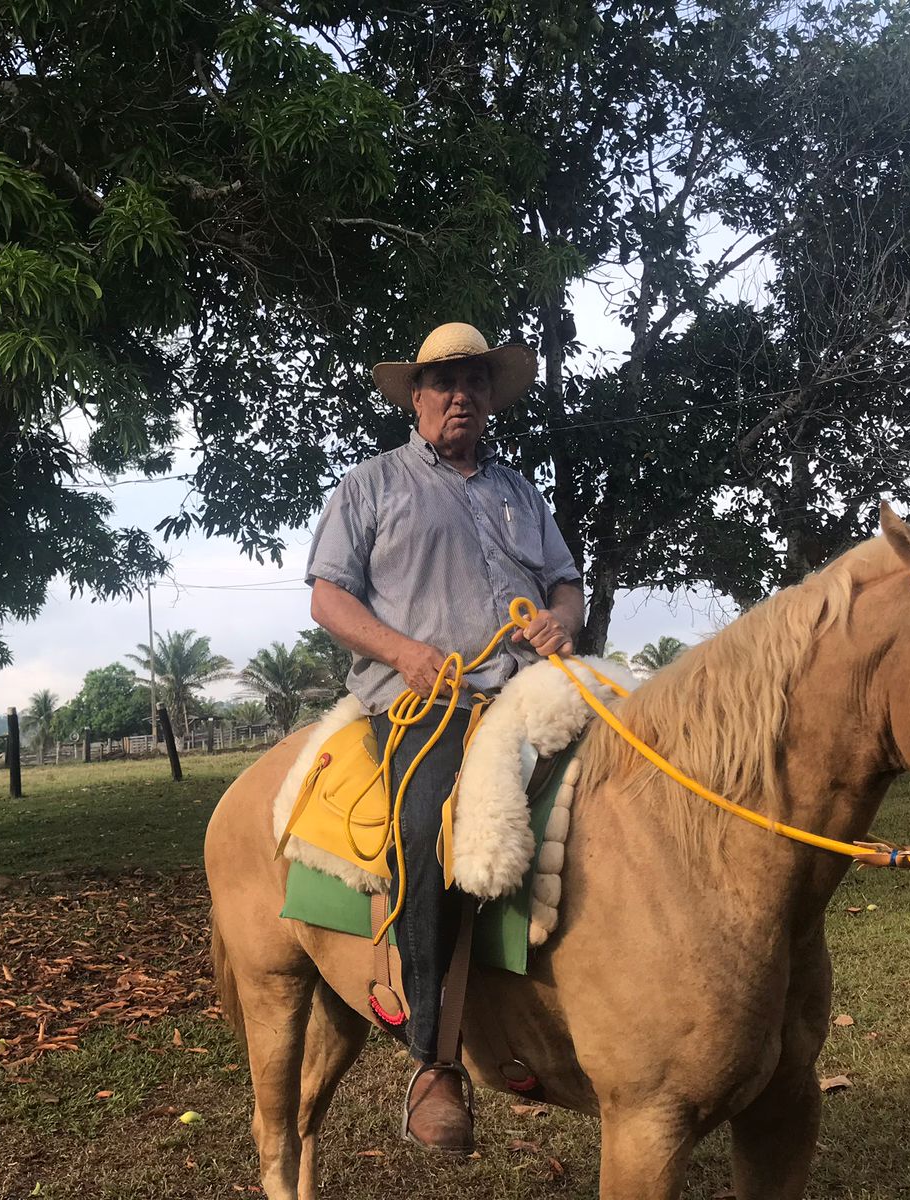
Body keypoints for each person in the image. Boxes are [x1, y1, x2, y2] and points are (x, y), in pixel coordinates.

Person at [304, 321, 585, 1152]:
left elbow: (565, 586)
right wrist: (404, 652)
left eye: (474, 381)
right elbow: (327, 598)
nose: (459, 395)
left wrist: (563, 627)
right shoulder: (369, 485)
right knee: (434, 826)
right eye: (442, 382)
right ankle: (435, 1062)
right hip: (425, 706)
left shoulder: (521, 491)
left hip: (530, 692)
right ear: (416, 399)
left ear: (492, 396)